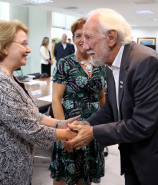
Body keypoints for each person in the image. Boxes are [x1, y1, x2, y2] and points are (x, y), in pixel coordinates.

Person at [68, 8, 158, 185]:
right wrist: (88, 123)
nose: (84, 45)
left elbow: (142, 125)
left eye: (88, 37)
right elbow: (113, 107)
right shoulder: (109, 64)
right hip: (133, 156)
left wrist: (93, 132)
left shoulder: (145, 63)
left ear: (111, 37)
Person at [0, 20, 80, 185]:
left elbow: (30, 115)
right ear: (3, 46)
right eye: (24, 44)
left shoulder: (5, 76)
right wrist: (70, 134)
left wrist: (60, 124)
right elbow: (31, 129)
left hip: (9, 171)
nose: (29, 49)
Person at [50, 17, 106, 185]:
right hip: (70, 130)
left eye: (87, 35)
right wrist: (64, 133)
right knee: (65, 176)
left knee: (86, 177)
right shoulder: (64, 64)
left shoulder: (100, 64)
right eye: (78, 35)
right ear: (73, 39)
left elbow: (102, 98)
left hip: (92, 130)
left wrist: (103, 129)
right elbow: (56, 99)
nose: (83, 40)